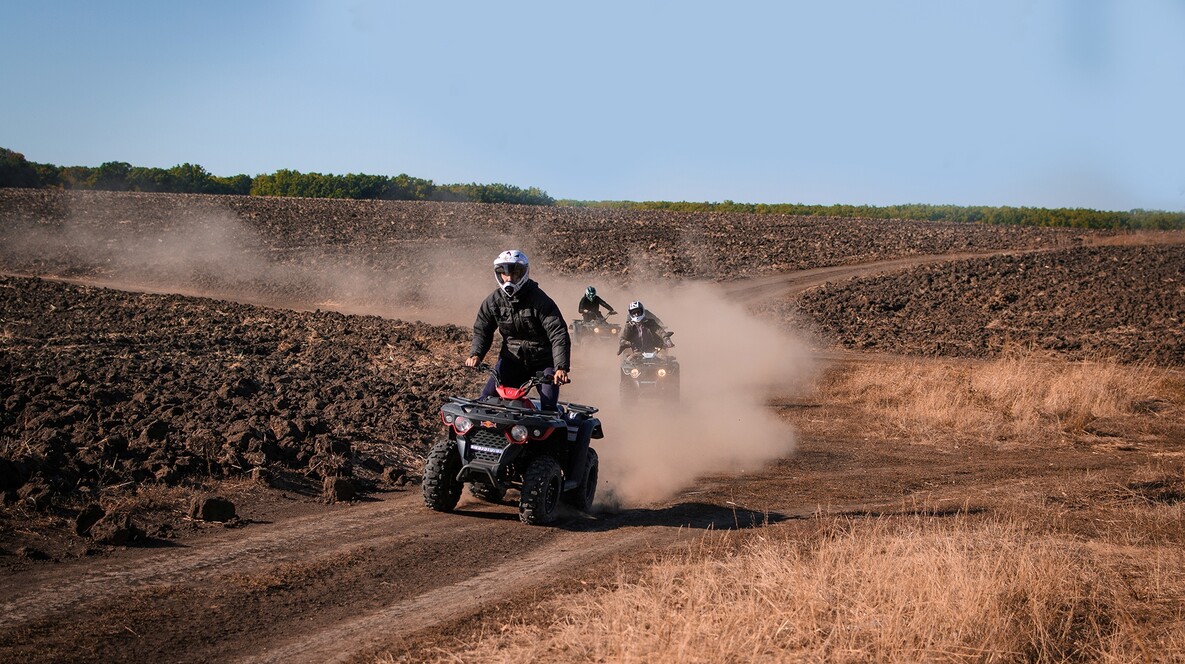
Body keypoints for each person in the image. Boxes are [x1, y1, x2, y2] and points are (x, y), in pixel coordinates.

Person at [465, 249, 570, 410]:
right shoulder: (493, 301)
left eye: (514, 273)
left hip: (542, 362)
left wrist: (561, 367)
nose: (509, 278)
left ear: (523, 273)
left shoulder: (540, 300)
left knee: (549, 408)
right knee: (486, 399)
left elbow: (558, 333)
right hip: (512, 360)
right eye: (504, 274)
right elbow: (482, 329)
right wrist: (476, 354)